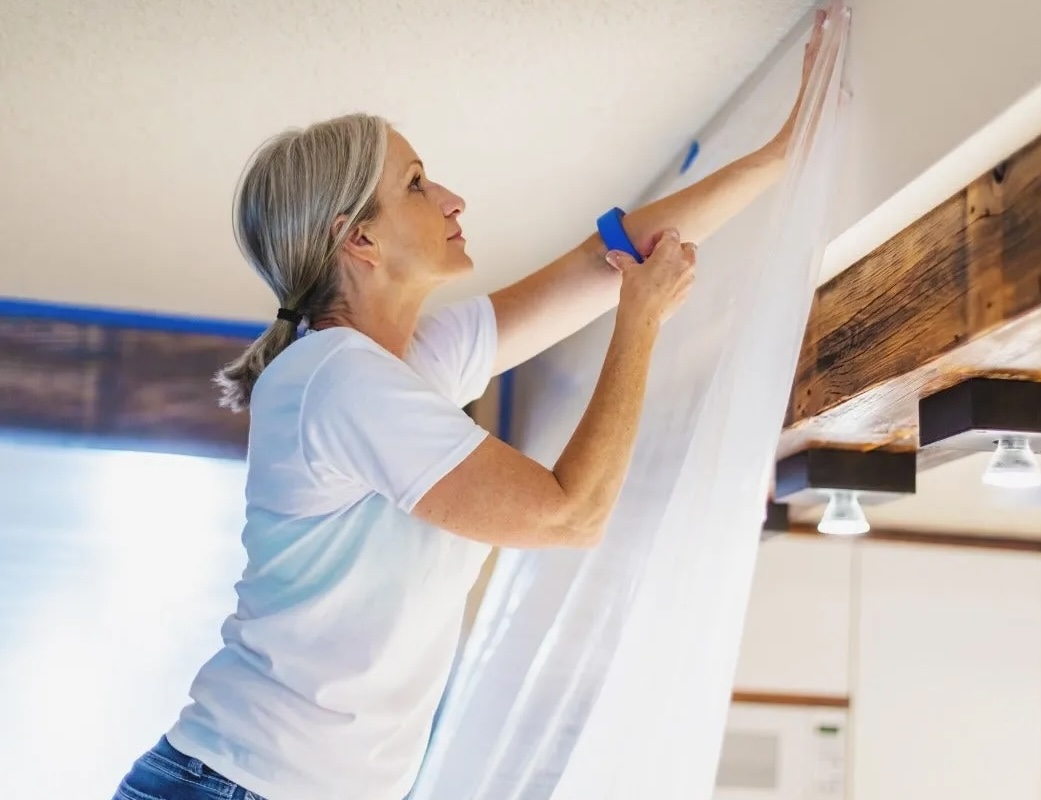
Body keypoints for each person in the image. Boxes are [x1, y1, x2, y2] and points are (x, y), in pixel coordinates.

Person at [111, 17, 825, 800]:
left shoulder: (403, 364)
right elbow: (566, 515)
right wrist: (641, 322)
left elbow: (602, 261)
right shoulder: (338, 378)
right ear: (357, 241)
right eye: (416, 184)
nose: (451, 197)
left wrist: (779, 152)